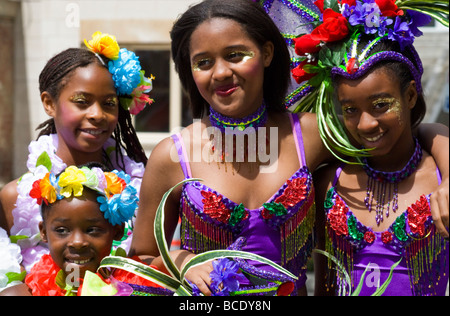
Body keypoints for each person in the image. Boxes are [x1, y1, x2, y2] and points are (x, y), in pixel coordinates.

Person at [130, 0, 448, 296]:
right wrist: (181, 259)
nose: (221, 72)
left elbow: (400, 131)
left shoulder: (310, 134)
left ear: (267, 53)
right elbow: (138, 261)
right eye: (203, 62)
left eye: (235, 55)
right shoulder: (172, 156)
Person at [289, 0, 450, 295]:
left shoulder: (441, 179)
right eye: (350, 109)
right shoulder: (327, 183)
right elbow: (323, 284)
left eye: (381, 105)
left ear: (411, 95)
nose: (365, 124)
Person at [0, 31, 152, 273]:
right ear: (49, 103)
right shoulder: (13, 199)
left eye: (109, 103)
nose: (97, 114)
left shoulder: (143, 192)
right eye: (82, 101)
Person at [0, 163, 140, 296]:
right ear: (44, 232)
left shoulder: (139, 290)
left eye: (92, 230)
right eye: (62, 230)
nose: (77, 242)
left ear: (117, 231)